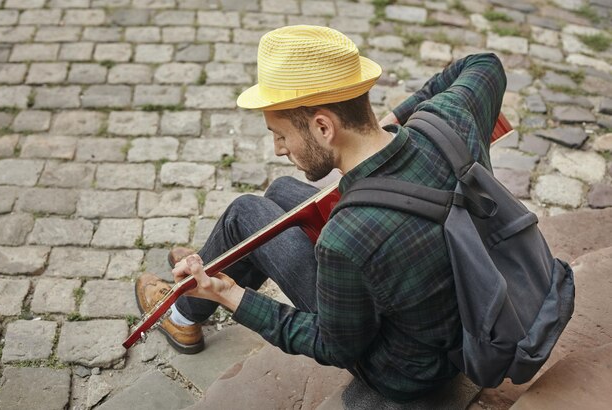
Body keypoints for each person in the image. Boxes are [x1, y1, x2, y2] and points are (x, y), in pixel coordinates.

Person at [135, 25, 506, 403]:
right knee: (281, 192)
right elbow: (483, 64)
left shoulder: (345, 239)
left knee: (246, 212)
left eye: (280, 134)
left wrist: (228, 293)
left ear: (324, 126)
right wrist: (389, 121)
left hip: (408, 368)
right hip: (467, 309)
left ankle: (182, 314)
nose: (279, 148)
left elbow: (333, 345)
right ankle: (200, 288)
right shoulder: (453, 118)